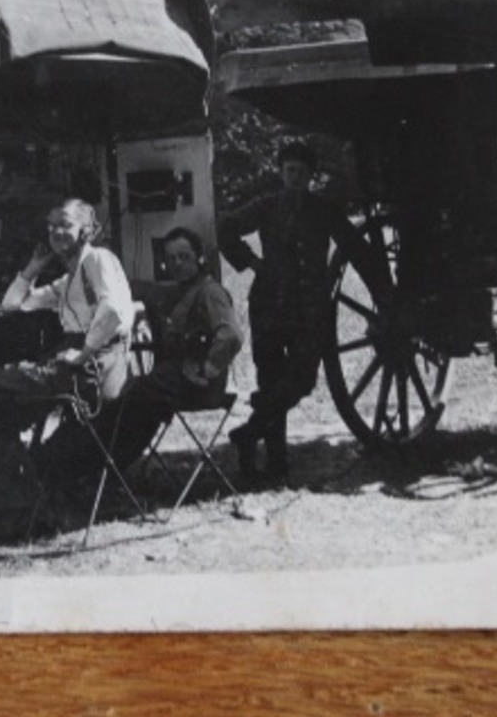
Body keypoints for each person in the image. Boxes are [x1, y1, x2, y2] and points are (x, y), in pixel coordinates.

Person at [0, 198, 135, 503]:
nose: (56, 232)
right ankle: (14, 504)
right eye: (52, 227)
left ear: (87, 230)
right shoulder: (68, 279)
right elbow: (13, 303)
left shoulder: (98, 260)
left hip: (93, 370)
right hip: (78, 367)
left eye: (65, 225)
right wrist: (34, 267)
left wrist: (83, 353)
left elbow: (112, 310)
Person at [34, 226, 242, 482]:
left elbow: (231, 335)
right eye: (171, 258)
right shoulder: (178, 290)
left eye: (184, 257)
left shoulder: (210, 292)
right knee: (124, 406)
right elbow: (136, 288)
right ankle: (81, 468)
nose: (177, 263)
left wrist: (205, 368)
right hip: (170, 385)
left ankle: (71, 465)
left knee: (121, 407)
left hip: (199, 387)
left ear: (199, 259)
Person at [219, 139, 342, 484]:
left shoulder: (324, 210)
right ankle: (276, 464)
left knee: (302, 379)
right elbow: (225, 226)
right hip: (270, 305)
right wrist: (252, 263)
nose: (296, 177)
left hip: (309, 309)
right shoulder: (267, 206)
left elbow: (353, 243)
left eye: (303, 173)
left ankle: (248, 433)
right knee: (270, 379)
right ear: (280, 172)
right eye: (290, 171)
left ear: (312, 177)